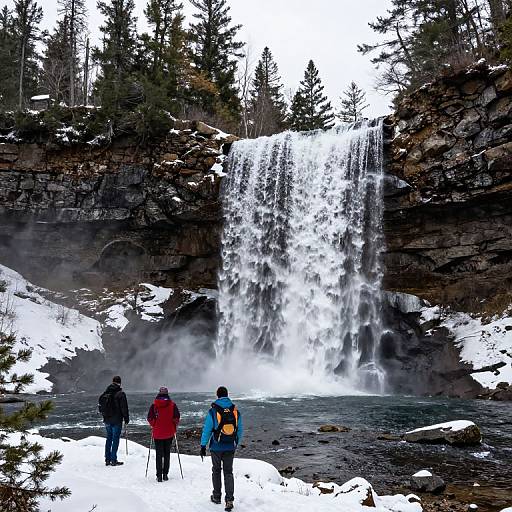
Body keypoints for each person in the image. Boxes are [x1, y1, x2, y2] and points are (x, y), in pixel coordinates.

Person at [200, 386, 243, 511]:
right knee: (228, 472)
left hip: (216, 447)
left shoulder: (213, 411)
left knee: (216, 471)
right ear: (227, 395)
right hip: (230, 446)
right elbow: (239, 430)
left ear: (217, 395)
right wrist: (236, 442)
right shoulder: (235, 411)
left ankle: (217, 496)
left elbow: (207, 430)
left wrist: (203, 445)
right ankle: (229, 500)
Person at [147, 386, 181, 482]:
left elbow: (150, 418)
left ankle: (159, 476)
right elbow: (177, 418)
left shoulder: (154, 405)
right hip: (169, 433)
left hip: (157, 433)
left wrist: (154, 424)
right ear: (167, 394)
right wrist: (173, 425)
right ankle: (165, 474)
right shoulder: (172, 405)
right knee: (167, 453)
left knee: (159, 454)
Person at [98, 375, 129, 467]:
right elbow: (124, 408)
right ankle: (113, 460)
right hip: (116, 420)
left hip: (107, 419)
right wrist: (126, 419)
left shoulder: (105, 393)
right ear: (120, 383)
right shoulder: (120, 394)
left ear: (112, 381)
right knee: (115, 439)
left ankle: (107, 459)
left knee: (109, 438)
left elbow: (100, 407)